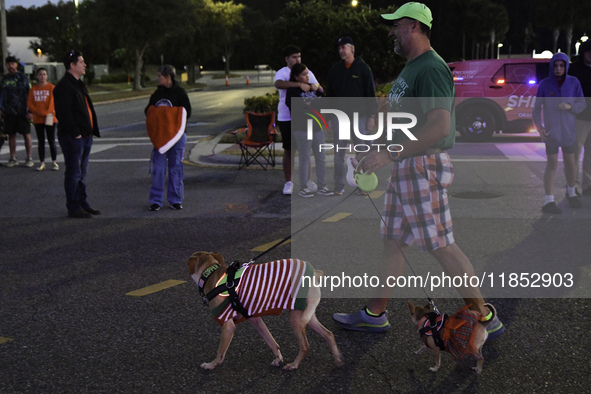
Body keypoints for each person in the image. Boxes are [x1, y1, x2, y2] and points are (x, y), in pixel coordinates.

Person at [332, 2, 505, 341]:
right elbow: (405, 124)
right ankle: (374, 314)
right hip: (406, 166)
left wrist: (390, 154)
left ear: (412, 26)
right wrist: (372, 150)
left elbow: (440, 126)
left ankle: (485, 317)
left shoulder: (431, 68)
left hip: (420, 167)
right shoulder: (412, 68)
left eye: (395, 25)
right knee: (394, 242)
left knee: (442, 245)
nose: (390, 32)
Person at [533, 52, 586, 214]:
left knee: (571, 163)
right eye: (555, 65)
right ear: (551, 66)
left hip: (569, 131)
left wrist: (570, 107)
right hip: (551, 133)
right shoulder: (544, 84)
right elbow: (536, 110)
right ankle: (549, 200)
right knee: (552, 164)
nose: (558, 68)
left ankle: (571, 193)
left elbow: (582, 103)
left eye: (561, 65)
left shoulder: (573, 82)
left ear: (566, 66)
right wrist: (539, 128)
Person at [326, 36, 377, 195]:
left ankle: (363, 185)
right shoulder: (335, 70)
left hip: (360, 117)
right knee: (338, 153)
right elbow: (331, 95)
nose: (341, 50)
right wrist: (330, 117)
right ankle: (339, 186)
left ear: (352, 49)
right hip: (340, 117)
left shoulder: (363, 68)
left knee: (361, 152)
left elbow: (370, 93)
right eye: (339, 48)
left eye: (344, 47)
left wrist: (371, 116)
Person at [54, 50, 101, 219]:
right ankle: (73, 207)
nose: (85, 65)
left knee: (82, 173)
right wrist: (76, 133)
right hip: (73, 138)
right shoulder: (63, 87)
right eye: (81, 62)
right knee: (74, 173)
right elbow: (64, 113)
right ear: (72, 65)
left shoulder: (78, 84)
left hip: (85, 136)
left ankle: (82, 202)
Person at [274, 45, 321, 195]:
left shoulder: (306, 71)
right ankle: (289, 182)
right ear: (287, 58)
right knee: (289, 149)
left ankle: (308, 180)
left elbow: (317, 85)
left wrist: (313, 86)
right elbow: (279, 84)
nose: (297, 59)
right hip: (286, 116)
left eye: (299, 56)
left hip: (304, 117)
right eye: (294, 57)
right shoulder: (282, 72)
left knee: (305, 150)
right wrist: (298, 84)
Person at [145, 64, 191, 211]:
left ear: (168, 77)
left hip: (177, 138)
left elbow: (186, 112)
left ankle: (175, 199)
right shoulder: (157, 94)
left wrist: (168, 116)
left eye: (160, 76)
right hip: (160, 138)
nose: (157, 79)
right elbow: (148, 111)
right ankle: (156, 201)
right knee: (158, 169)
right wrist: (161, 115)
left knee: (175, 168)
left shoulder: (180, 93)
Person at [286, 63, 333, 198]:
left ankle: (322, 186)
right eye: (304, 74)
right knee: (305, 158)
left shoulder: (314, 88)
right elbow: (297, 107)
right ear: (296, 77)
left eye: (307, 73)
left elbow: (324, 100)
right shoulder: (293, 91)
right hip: (301, 128)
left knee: (320, 157)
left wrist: (316, 94)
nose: (307, 76)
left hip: (317, 126)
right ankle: (304, 188)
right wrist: (314, 103)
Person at [0, 56, 33, 168]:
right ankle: (13, 158)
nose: (10, 66)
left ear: (16, 65)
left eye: (12, 63)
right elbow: (1, 95)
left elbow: (30, 94)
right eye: (8, 64)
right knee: (11, 135)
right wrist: (1, 109)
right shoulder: (4, 79)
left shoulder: (23, 78)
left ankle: (29, 158)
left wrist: (30, 111)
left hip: (22, 111)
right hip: (9, 111)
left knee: (26, 134)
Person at [569, 40, 591, 196]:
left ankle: (588, 185)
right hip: (579, 118)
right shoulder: (574, 69)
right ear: (583, 52)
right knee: (575, 153)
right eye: (588, 51)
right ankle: (573, 187)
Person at [27, 67, 59, 171]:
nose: (42, 76)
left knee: (51, 140)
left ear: (47, 76)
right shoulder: (34, 89)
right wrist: (36, 111)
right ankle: (42, 162)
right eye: (40, 74)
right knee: (41, 141)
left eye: (44, 74)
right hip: (38, 119)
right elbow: (30, 103)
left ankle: (54, 162)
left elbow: (52, 102)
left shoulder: (51, 88)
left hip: (49, 118)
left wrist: (45, 112)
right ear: (37, 76)